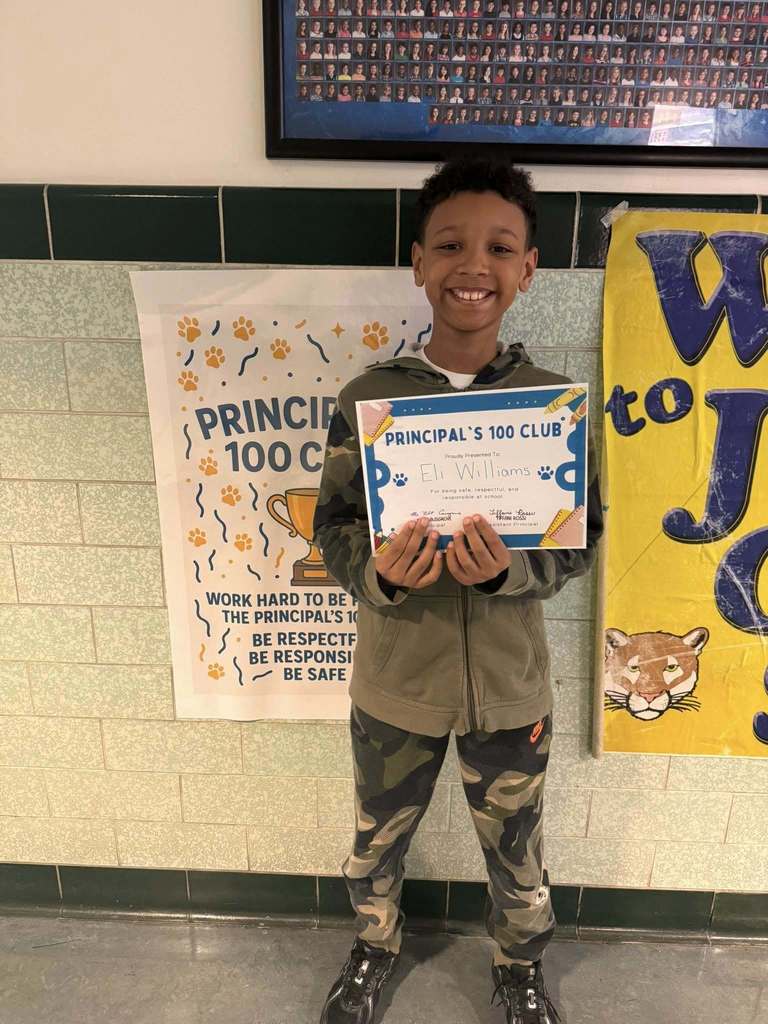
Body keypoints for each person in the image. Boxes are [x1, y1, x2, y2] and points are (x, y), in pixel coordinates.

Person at [313, 155, 603, 1024]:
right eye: (449, 245)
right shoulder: (370, 401)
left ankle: (518, 967)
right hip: (395, 686)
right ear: (418, 261)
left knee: (518, 852)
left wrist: (510, 569)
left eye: (498, 247)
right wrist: (378, 574)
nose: (472, 266)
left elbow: (583, 536)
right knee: (377, 841)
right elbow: (331, 528)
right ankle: (372, 947)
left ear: (527, 269)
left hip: (512, 692)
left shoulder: (552, 406)